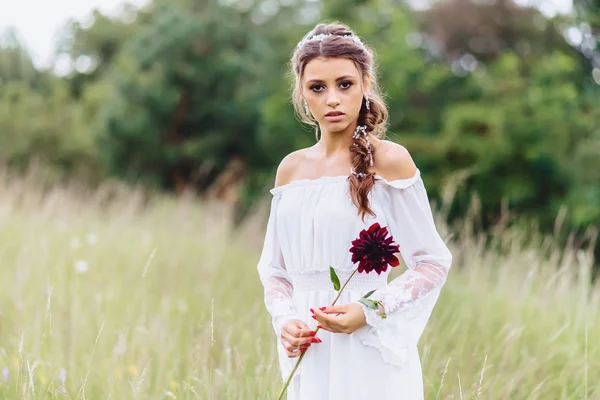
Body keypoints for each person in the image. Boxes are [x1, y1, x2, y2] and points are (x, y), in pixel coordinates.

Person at [257, 22, 453, 400]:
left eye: (344, 84)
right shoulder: (290, 169)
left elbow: (432, 262)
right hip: (309, 349)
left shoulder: (391, 161)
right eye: (318, 87)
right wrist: (286, 321)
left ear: (365, 83)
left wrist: (371, 309)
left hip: (368, 347)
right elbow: (276, 271)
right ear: (302, 93)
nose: (332, 99)